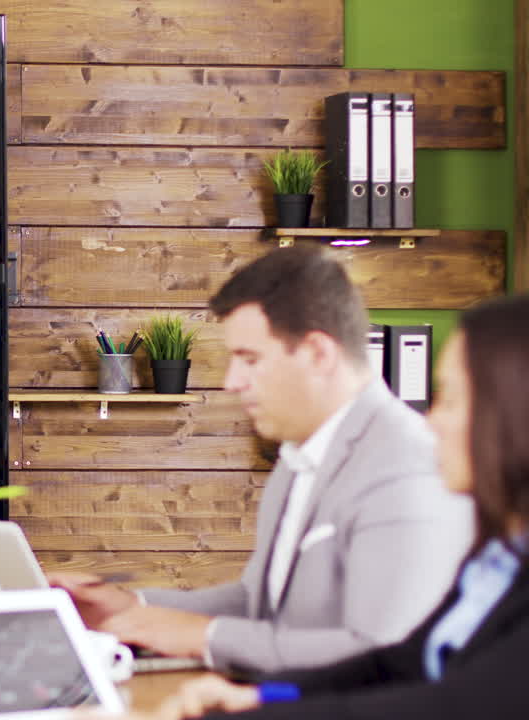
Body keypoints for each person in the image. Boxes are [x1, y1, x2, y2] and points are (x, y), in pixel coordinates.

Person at [52, 246, 471, 673]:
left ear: (318, 354)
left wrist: (199, 635)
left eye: (249, 359)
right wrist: (132, 608)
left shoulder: (406, 465)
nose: (231, 382)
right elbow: (260, 603)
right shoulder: (298, 456)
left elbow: (383, 652)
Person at [123, 292, 529, 720]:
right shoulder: (494, 562)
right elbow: (397, 665)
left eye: (452, 399)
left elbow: (449, 705)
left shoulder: (403, 464)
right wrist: (265, 697)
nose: (433, 419)